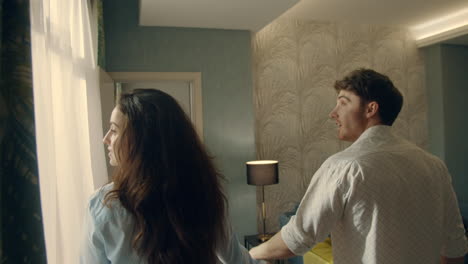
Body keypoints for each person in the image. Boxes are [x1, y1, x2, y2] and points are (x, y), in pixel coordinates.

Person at [249, 69, 468, 263]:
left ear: (370, 109)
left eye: (343, 103)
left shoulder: (344, 167)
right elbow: (455, 246)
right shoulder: (434, 166)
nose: (333, 113)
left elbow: (298, 237)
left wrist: (250, 255)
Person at [80, 89, 265, 264]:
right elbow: (236, 258)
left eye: (113, 130)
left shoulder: (104, 207)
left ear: (140, 140)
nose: (106, 139)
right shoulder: (202, 194)